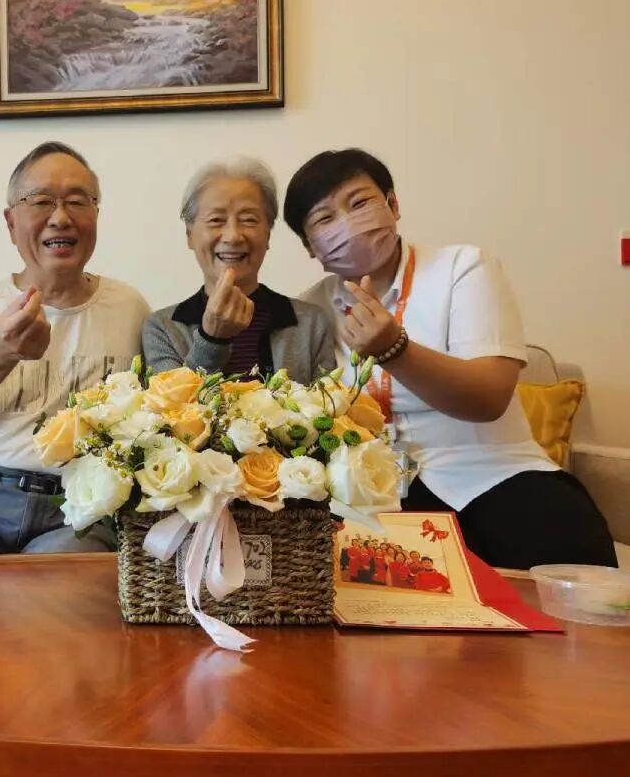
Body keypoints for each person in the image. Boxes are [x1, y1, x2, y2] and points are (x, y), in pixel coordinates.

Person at [284, 148, 616, 570]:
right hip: (376, 497)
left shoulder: (463, 269)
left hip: (494, 477)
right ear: (309, 246)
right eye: (324, 219)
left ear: (393, 204)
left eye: (360, 202)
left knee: (560, 546)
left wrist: (395, 350)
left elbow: (489, 398)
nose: (348, 223)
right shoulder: (310, 312)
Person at [0, 142, 150, 558]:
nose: (61, 217)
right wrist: (3, 350)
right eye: (41, 201)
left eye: (78, 201)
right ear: (11, 222)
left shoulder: (130, 308)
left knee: (58, 585)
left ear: (96, 215)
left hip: (77, 512)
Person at [141, 158, 334, 380]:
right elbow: (170, 401)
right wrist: (212, 339)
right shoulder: (162, 328)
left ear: (268, 235)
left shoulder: (310, 323)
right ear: (189, 235)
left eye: (249, 220)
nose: (233, 236)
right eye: (216, 220)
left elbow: (329, 402)